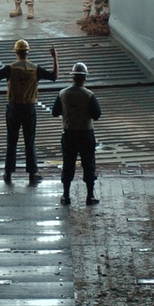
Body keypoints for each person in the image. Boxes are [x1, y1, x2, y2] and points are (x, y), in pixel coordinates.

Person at [0, 39, 59, 185]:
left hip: (13, 108)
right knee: (29, 141)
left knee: (11, 141)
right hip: (29, 109)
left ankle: (8, 173)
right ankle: (32, 173)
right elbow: (54, 76)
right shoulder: (35, 68)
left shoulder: (10, 68)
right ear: (27, 52)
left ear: (16, 52)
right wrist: (55, 57)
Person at [52, 62, 102, 206]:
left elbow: (55, 112)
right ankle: (90, 196)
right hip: (86, 134)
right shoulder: (89, 95)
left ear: (72, 77)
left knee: (68, 164)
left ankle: (66, 195)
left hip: (68, 134)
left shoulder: (62, 94)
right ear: (84, 78)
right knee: (88, 165)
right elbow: (97, 115)